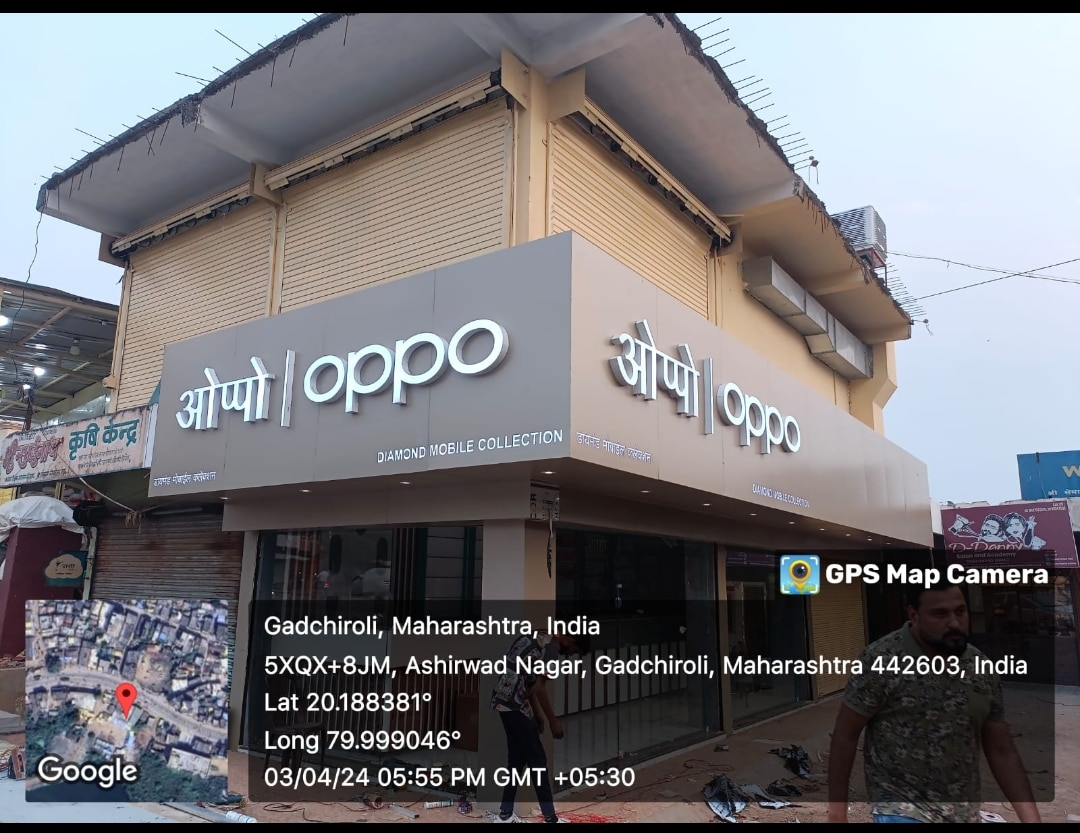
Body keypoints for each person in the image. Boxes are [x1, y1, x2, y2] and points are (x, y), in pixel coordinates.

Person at [827, 578, 1041, 824]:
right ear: (914, 615)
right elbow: (845, 735)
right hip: (901, 808)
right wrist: (837, 814)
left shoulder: (980, 668)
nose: (954, 623)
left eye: (960, 612)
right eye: (940, 614)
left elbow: (1001, 750)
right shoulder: (881, 660)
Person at [489, 630, 591, 824]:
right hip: (516, 705)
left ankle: (505, 814)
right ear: (570, 639)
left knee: (517, 760)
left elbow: (529, 684)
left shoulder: (538, 636)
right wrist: (553, 721)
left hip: (503, 701)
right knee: (538, 760)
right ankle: (550, 818)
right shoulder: (552, 650)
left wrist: (537, 715)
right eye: (574, 649)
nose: (570, 654)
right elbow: (539, 687)